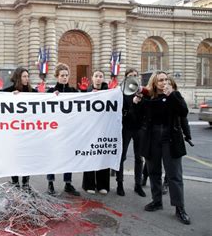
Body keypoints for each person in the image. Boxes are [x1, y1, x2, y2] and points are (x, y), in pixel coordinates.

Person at [139, 71, 191, 225]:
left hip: (170, 138)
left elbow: (184, 111)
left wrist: (172, 95)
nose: (164, 82)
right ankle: (156, 201)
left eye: (166, 80)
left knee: (174, 175)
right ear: (154, 83)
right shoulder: (149, 98)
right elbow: (137, 116)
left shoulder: (174, 95)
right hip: (152, 138)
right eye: (160, 80)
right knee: (153, 171)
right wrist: (137, 101)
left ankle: (179, 208)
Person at [45, 63, 80, 196]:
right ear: (57, 77)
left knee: (68, 156)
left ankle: (68, 183)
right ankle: (50, 183)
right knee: (52, 156)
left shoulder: (73, 91)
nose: (65, 78)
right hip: (54, 130)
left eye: (66, 75)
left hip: (69, 131)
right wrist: (52, 97)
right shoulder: (51, 92)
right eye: (62, 76)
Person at [2, 67, 37, 190]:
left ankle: (26, 183)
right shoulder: (10, 91)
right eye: (24, 76)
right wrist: (11, 97)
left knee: (27, 157)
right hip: (14, 132)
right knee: (14, 157)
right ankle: (15, 182)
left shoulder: (33, 91)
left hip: (28, 131)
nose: (27, 78)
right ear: (18, 77)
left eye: (28, 76)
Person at [117, 68, 146, 197]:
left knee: (139, 158)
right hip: (126, 128)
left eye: (135, 75)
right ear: (126, 78)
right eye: (130, 75)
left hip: (139, 128)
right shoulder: (122, 93)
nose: (133, 77)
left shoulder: (143, 92)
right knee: (122, 157)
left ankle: (138, 185)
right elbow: (121, 113)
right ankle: (120, 184)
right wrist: (132, 104)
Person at [82, 70, 110, 195]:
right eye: (96, 76)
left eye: (101, 76)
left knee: (103, 155)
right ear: (92, 78)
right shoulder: (86, 93)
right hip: (89, 129)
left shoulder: (110, 93)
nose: (98, 79)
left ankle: (103, 185)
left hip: (104, 129)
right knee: (90, 155)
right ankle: (89, 185)